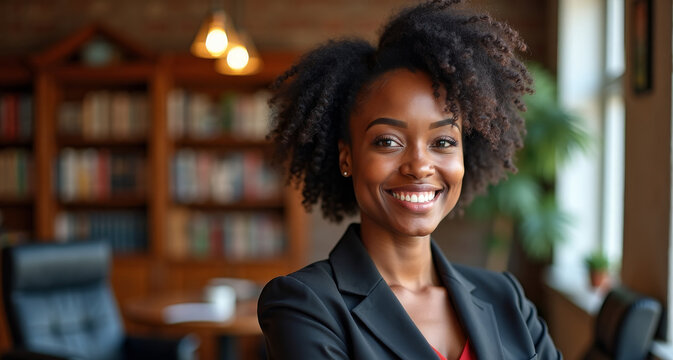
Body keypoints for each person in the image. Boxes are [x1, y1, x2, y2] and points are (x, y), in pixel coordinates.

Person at [257, 0, 562, 359]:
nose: (419, 166)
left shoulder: (506, 298)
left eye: (443, 142)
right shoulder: (305, 305)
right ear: (347, 157)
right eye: (388, 141)